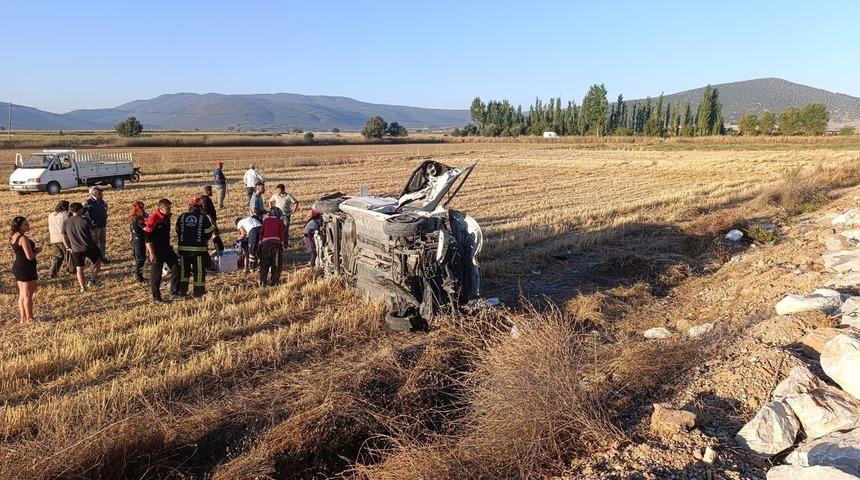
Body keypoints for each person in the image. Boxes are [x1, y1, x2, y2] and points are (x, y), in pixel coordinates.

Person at [176, 196, 217, 297]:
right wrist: (212, 226)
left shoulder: (182, 216)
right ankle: (198, 292)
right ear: (200, 207)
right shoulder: (203, 218)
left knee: (183, 271)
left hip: (183, 249)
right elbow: (207, 233)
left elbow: (178, 230)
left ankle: (182, 291)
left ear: (189, 206)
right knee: (198, 272)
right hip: (198, 250)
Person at [145, 198, 180, 303]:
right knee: (156, 274)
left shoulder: (167, 216)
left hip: (166, 248)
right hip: (156, 250)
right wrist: (151, 253)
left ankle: (174, 293)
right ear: (161, 208)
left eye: (170, 208)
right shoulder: (153, 218)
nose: (169, 209)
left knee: (176, 267)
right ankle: (156, 297)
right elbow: (147, 237)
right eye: (167, 208)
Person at [65, 202, 103, 293]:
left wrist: (67, 246)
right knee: (97, 262)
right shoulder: (85, 219)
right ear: (80, 210)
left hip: (75, 249)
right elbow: (93, 233)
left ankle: (83, 287)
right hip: (89, 247)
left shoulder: (66, 221)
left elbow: (63, 235)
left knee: (79, 269)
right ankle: (93, 280)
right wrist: (97, 242)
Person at [10, 216, 40, 323]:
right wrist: (37, 251)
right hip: (26, 267)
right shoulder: (23, 238)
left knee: (22, 294)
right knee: (28, 295)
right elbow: (30, 256)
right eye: (25, 224)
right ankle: (30, 318)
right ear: (19, 227)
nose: (28, 225)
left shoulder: (13, 236)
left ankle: (23, 318)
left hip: (18, 266)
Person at [258, 207, 286, 286]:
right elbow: (282, 235)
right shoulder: (280, 222)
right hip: (275, 245)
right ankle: (274, 281)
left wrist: (260, 244)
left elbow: (261, 233)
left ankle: (263, 282)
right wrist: (281, 244)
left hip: (265, 245)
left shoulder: (265, 221)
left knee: (264, 264)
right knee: (276, 264)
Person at [83, 187, 110, 264]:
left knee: (102, 242)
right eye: (100, 194)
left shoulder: (102, 202)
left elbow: (106, 209)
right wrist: (90, 224)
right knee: (94, 243)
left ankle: (102, 257)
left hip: (102, 225)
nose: (102, 195)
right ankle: (94, 259)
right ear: (95, 194)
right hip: (94, 227)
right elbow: (82, 214)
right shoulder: (87, 203)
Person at [269, 184, 299, 252]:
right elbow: (270, 201)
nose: (278, 191)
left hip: (285, 215)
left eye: (279, 190)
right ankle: (278, 242)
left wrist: (293, 210)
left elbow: (296, 202)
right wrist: (272, 209)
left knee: (285, 230)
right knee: (277, 229)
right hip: (277, 216)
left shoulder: (288, 196)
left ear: (283, 189)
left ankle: (285, 244)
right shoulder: (275, 196)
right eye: (277, 190)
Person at [47, 200, 71, 278]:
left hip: (53, 239)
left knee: (57, 257)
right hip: (64, 239)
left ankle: (53, 273)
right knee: (69, 256)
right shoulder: (65, 214)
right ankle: (71, 272)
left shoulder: (50, 215)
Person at [129, 201, 148, 283]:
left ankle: (139, 276)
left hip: (135, 240)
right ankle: (139, 277)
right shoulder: (137, 218)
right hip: (139, 241)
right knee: (140, 259)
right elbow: (146, 228)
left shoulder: (133, 217)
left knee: (138, 259)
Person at [201, 185, 224, 252]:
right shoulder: (206, 199)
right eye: (211, 191)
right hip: (209, 221)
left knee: (206, 235)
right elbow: (206, 212)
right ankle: (218, 249)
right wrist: (212, 222)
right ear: (208, 191)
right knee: (215, 233)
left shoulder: (202, 198)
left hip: (206, 221)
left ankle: (205, 248)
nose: (212, 192)